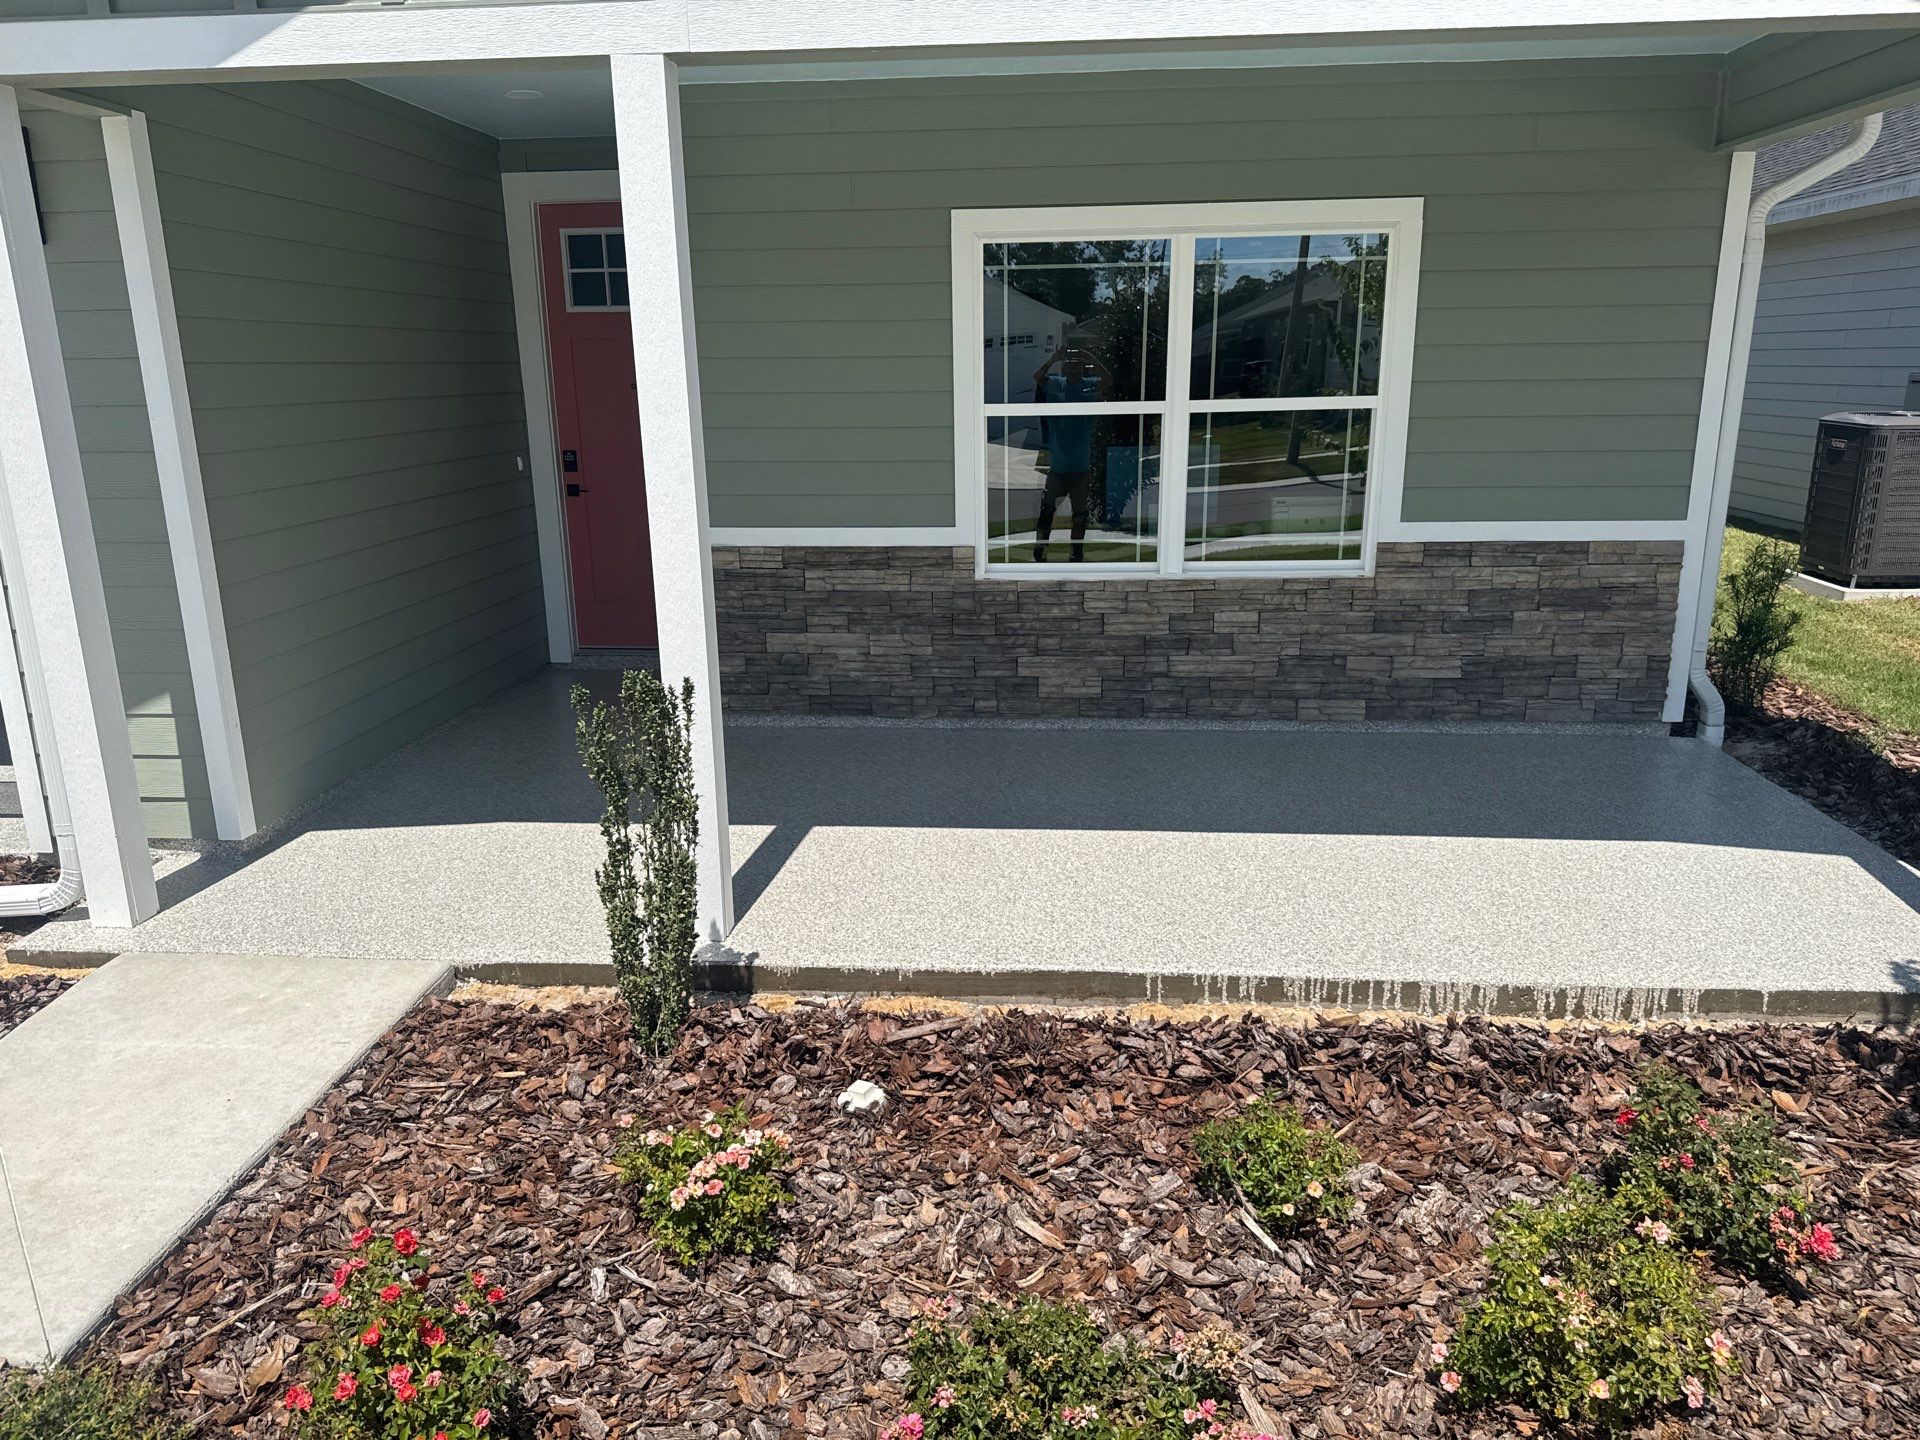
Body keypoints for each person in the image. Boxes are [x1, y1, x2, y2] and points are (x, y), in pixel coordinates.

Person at [1029, 345, 1110, 562]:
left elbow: (1108, 380)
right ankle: (1040, 551)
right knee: (1046, 511)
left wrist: (1090, 355)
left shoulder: (1088, 386)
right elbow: (1038, 377)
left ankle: (1076, 554)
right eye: (1068, 366)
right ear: (1064, 368)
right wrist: (1053, 358)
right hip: (1058, 466)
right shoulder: (1057, 383)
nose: (1072, 370)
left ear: (1082, 369)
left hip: (1080, 466)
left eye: (1076, 367)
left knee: (1079, 517)